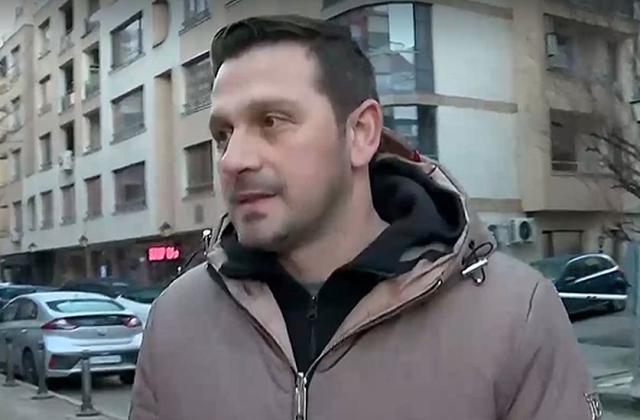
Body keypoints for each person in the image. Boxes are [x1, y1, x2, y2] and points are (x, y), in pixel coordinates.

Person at [129, 15, 598, 420]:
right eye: (223, 134)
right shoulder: (175, 321)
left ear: (360, 133)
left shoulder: (514, 314)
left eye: (271, 121)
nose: (233, 160)